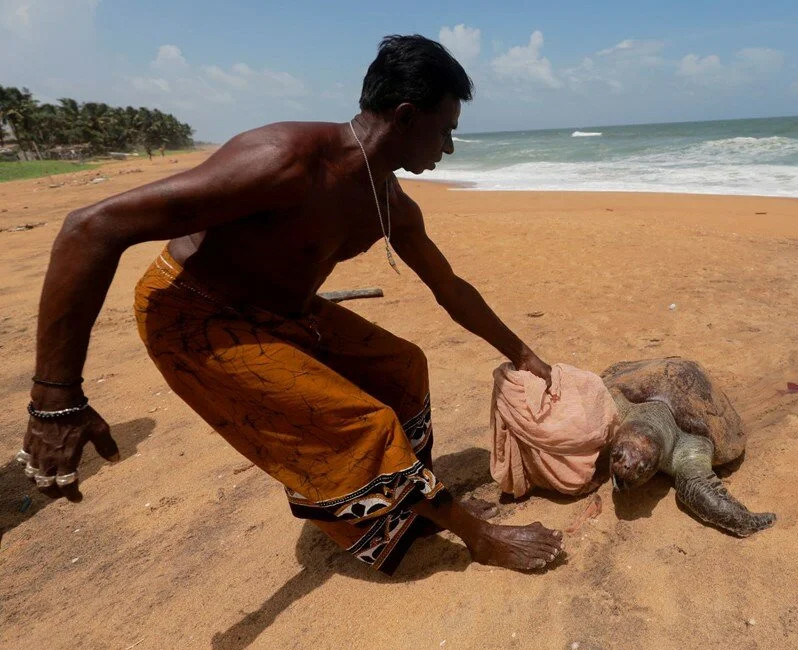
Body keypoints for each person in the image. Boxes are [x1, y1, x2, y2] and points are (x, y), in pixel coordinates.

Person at [19, 34, 563, 574]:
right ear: (405, 116)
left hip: (287, 314)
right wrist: (55, 399)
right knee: (365, 423)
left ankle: (400, 509)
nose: (447, 147)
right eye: (445, 131)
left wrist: (523, 354)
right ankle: (477, 537)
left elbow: (450, 288)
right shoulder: (283, 161)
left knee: (403, 367)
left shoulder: (389, 200)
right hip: (195, 314)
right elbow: (88, 229)